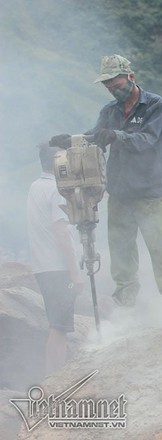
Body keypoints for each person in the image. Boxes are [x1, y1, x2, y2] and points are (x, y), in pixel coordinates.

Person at [50, 54, 162, 327]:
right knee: (121, 253)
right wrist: (70, 140)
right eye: (108, 87)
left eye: (116, 84)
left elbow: (148, 140)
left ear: (130, 77)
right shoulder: (109, 111)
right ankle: (126, 311)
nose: (114, 90)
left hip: (150, 192)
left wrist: (117, 136)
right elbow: (95, 137)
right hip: (119, 193)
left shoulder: (153, 104)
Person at [27, 143, 85, 374]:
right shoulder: (55, 190)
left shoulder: (35, 186)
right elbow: (62, 233)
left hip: (43, 267)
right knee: (59, 327)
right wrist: (75, 273)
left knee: (58, 324)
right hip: (58, 269)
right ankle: (54, 379)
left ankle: (54, 377)